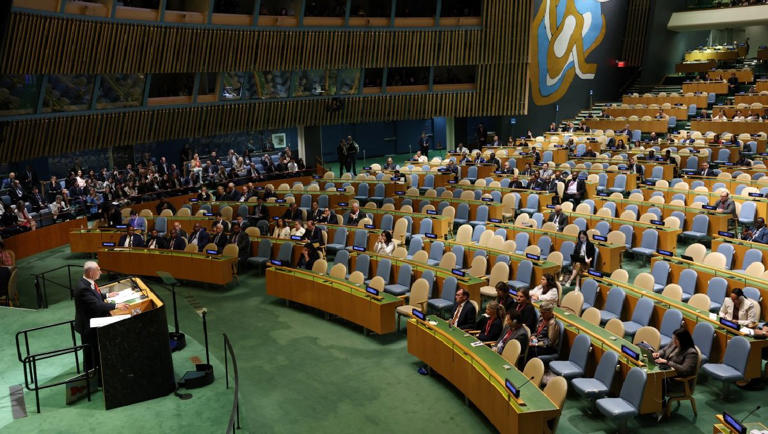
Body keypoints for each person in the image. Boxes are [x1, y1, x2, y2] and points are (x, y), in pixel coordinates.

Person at [74, 261, 129, 374]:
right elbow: (96, 305)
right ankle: (92, 376)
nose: (101, 272)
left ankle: (95, 373)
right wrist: (116, 305)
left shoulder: (87, 282)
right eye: (98, 270)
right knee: (91, 352)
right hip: (89, 325)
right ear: (90, 272)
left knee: (94, 351)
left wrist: (107, 295)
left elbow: (94, 296)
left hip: (92, 320)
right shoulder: (83, 288)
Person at [652, 327, 699, 415]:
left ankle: (659, 409)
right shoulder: (674, 343)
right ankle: (650, 406)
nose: (674, 341)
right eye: (673, 338)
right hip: (666, 374)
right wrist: (658, 353)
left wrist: (667, 362)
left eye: (676, 339)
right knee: (651, 377)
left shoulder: (691, 353)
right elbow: (664, 350)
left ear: (683, 340)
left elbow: (685, 370)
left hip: (678, 382)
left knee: (655, 381)